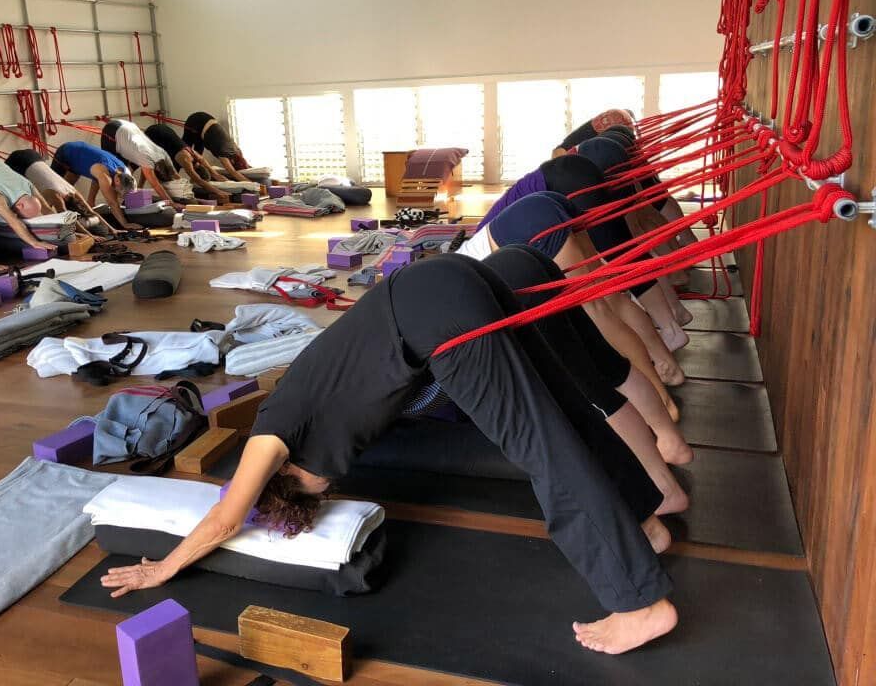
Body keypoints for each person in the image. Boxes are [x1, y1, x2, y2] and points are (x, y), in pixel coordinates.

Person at [102, 251, 679, 656]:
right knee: (566, 408)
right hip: (449, 282)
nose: (330, 484)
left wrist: (166, 566)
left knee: (542, 449)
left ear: (287, 476)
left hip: (432, 309)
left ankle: (639, 601)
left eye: (313, 490)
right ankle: (643, 520)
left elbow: (227, 515)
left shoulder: (271, 432)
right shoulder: (326, 426)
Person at [457, 191, 688, 408]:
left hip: (532, 226)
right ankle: (667, 367)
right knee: (609, 299)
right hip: (540, 207)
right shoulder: (449, 275)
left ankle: (661, 398)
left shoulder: (455, 306)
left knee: (596, 310)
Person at [480, 154, 691, 352]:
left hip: (570, 183)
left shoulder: (482, 248)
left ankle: (670, 326)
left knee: (607, 284)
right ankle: (673, 314)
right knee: (623, 254)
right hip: (578, 173)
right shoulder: (485, 231)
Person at [5, 149, 120, 240]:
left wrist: (112, 229)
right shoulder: (57, 197)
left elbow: (92, 212)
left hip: (34, 157)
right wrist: (89, 235)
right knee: (4, 193)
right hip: (19, 162)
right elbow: (67, 218)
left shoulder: (73, 192)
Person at [45, 142, 141, 231]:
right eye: (119, 191)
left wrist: (91, 200)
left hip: (79, 157)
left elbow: (97, 180)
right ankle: (46, 222)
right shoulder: (105, 177)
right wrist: (125, 224)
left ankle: (68, 217)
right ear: (117, 180)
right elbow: (113, 203)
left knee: (67, 191)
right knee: (53, 189)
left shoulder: (125, 172)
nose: (118, 193)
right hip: (67, 153)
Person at [99, 119, 189, 205]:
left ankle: (124, 199)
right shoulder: (146, 161)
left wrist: (184, 190)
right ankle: (110, 203)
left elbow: (174, 175)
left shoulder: (164, 156)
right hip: (111, 132)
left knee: (124, 172)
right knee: (109, 170)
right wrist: (172, 203)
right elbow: (156, 185)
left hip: (127, 126)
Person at [142, 122, 231, 202]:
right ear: (195, 173)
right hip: (155, 134)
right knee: (148, 166)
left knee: (164, 171)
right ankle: (139, 187)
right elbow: (198, 180)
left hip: (164, 130)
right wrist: (218, 191)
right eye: (192, 178)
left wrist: (220, 177)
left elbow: (208, 170)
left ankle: (140, 188)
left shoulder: (197, 157)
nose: (191, 179)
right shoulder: (186, 160)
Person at [181, 112, 266, 184]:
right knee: (184, 150)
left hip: (207, 119)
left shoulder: (237, 151)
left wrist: (257, 175)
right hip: (195, 122)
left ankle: (195, 178)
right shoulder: (223, 154)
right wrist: (253, 185)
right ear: (232, 161)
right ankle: (182, 177)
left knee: (197, 154)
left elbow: (247, 166)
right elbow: (233, 172)